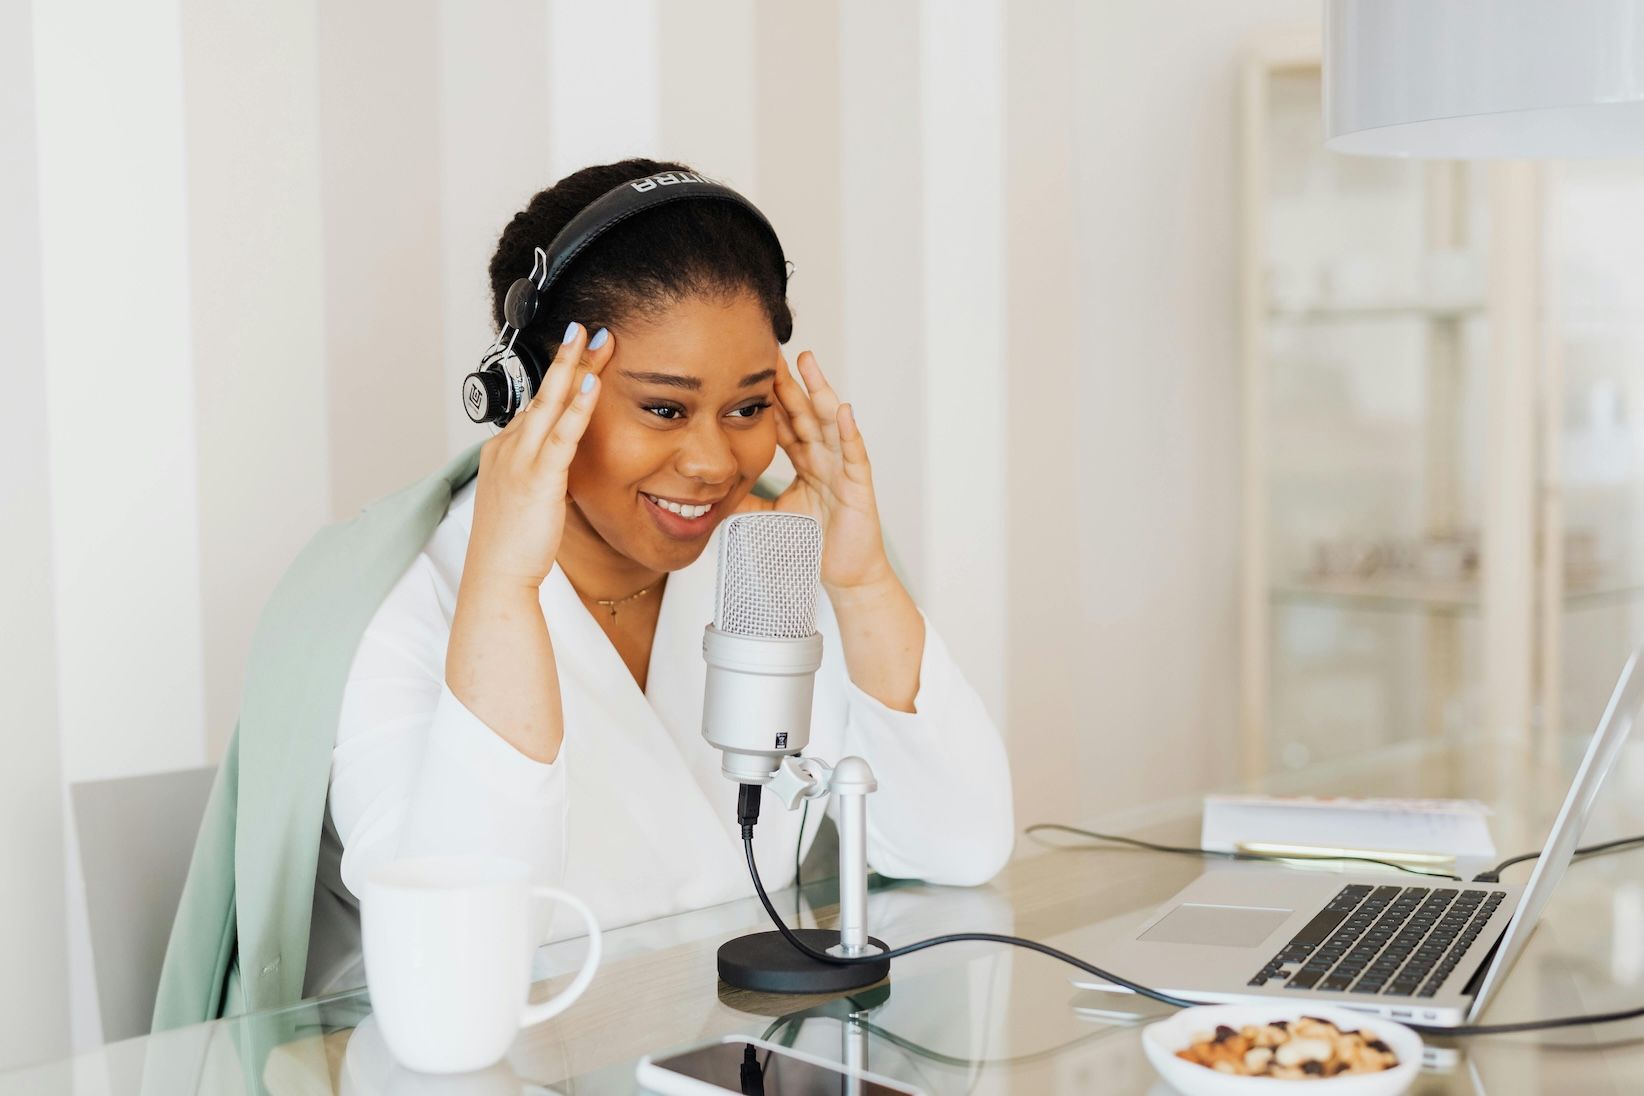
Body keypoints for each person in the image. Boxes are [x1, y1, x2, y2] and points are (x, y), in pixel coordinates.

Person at [301, 158, 1014, 995]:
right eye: (664, 409)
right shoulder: (401, 601)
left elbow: (960, 850)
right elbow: (456, 960)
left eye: (748, 408)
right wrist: (501, 592)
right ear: (533, 394)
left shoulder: (767, 559)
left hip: (738, 1054)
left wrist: (860, 584)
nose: (715, 463)